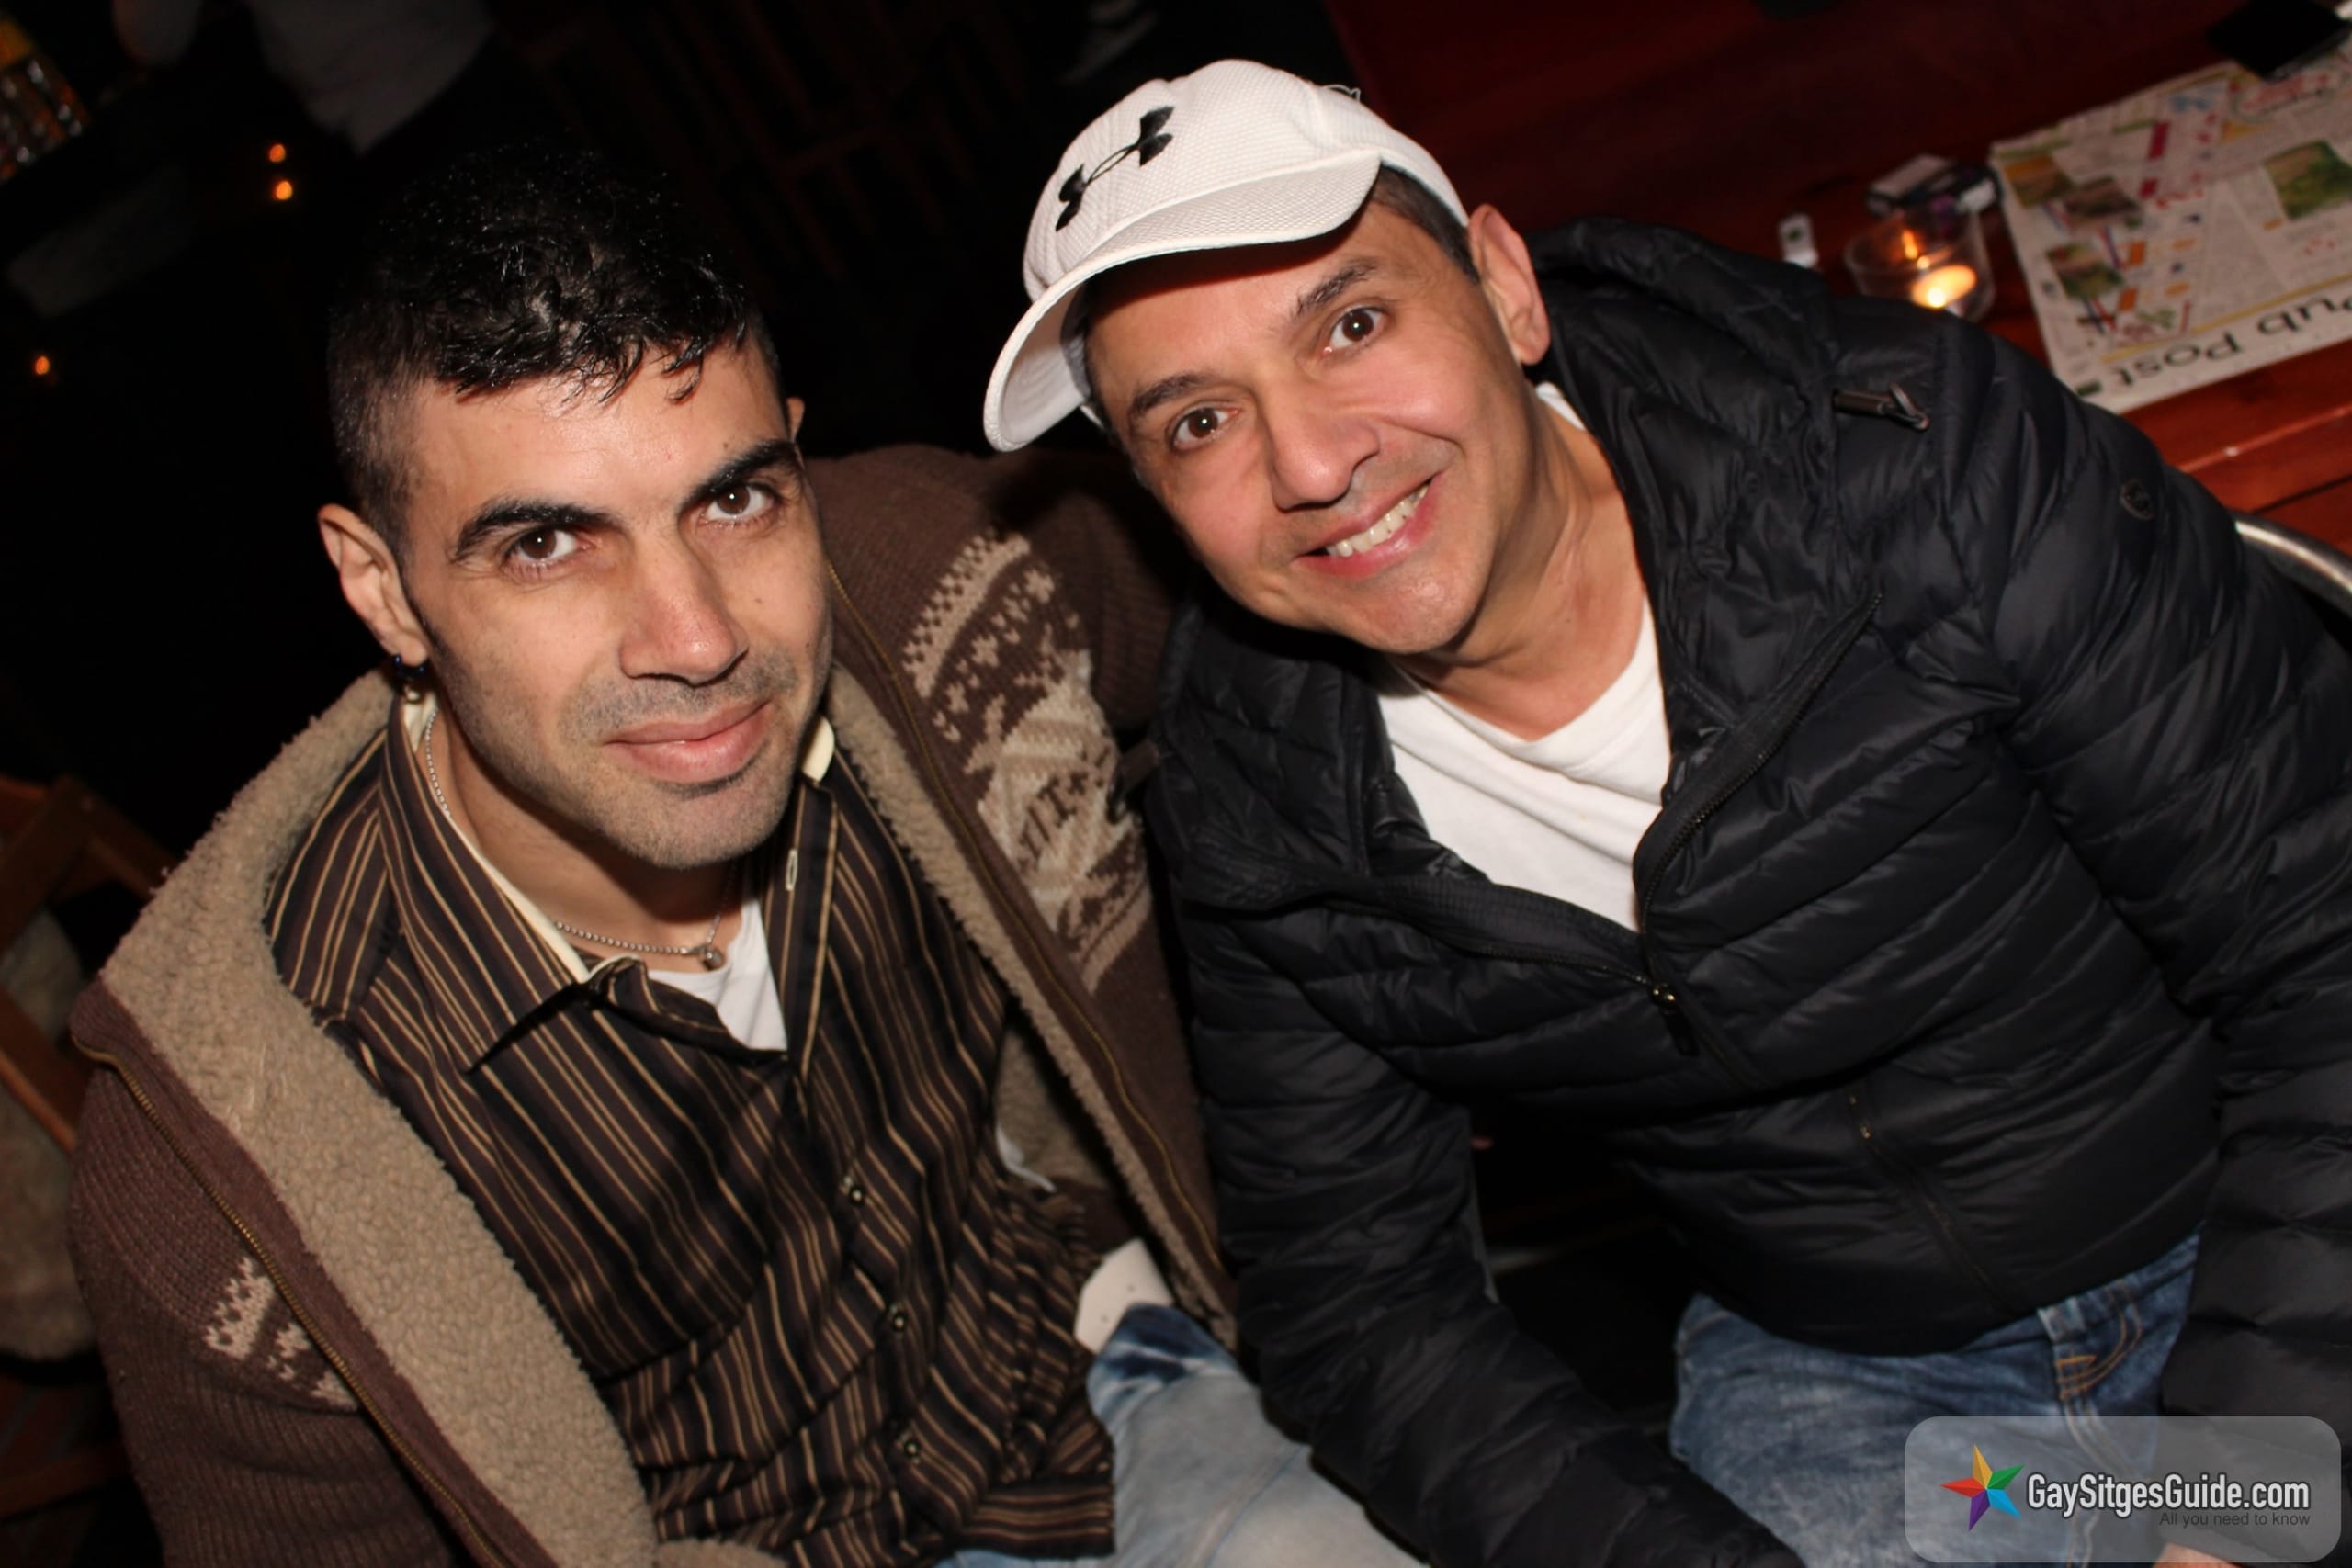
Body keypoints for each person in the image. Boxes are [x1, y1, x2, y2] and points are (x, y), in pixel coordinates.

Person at [981, 58, 2352, 1568]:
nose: (1311, 464)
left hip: (2259, 1213)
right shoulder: (1257, 796)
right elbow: (1355, 1307)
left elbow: (2325, 948)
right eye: (1198, 422)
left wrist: (2229, 1512)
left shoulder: (1912, 467)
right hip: (1879, 1392)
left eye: (1351, 326)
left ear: (1505, 289)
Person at [67, 145, 1418, 1567]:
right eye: (547, 546)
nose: (699, 637)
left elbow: (1284, 589)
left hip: (1108, 1371)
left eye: (733, 500)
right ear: (381, 587)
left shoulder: (925, 586)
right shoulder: (230, 1189)